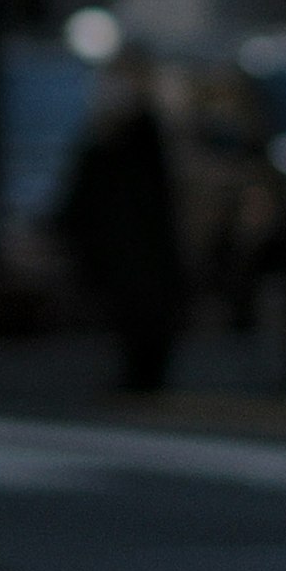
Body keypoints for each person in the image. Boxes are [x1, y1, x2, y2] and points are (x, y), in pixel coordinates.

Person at [56, 45, 188, 395]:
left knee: (141, 316)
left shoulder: (137, 140)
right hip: (125, 252)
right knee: (131, 316)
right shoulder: (115, 141)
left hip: (136, 253)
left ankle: (143, 377)